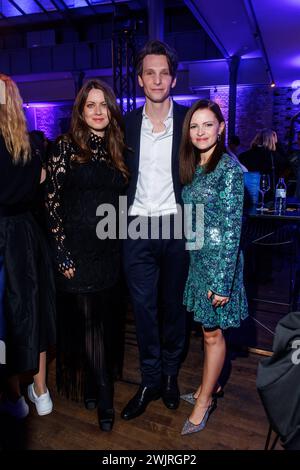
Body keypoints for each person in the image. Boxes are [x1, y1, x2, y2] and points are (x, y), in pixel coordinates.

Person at [46, 79, 128, 432]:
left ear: (111, 110)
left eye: (103, 105)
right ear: (80, 111)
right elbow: (51, 203)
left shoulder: (117, 149)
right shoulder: (66, 147)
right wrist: (62, 253)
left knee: (105, 323)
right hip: (77, 253)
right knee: (91, 323)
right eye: (90, 105)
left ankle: (95, 384)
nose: (97, 111)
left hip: (109, 252)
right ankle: (105, 394)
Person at [121, 40, 189, 421]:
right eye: (151, 72)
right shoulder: (127, 123)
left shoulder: (188, 122)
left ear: (173, 79)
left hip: (178, 227)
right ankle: (148, 380)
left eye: (164, 72)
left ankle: (169, 376)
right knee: (144, 311)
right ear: (140, 79)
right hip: (135, 229)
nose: (157, 79)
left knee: (174, 308)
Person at [179, 99, 248, 435]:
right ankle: (212, 385)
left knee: (212, 335)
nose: (201, 131)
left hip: (219, 264)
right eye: (194, 126)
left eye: (208, 124)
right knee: (208, 333)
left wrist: (223, 282)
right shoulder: (196, 166)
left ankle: (204, 400)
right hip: (199, 262)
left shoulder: (230, 170)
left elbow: (233, 228)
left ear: (221, 127)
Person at [0, 74, 55, 419]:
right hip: (27, 235)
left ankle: (14, 396)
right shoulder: (32, 145)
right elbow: (42, 182)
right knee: (35, 312)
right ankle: (41, 390)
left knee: (6, 319)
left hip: (4, 238)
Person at [239, 128, 287, 198]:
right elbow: (286, 164)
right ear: (273, 140)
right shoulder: (274, 156)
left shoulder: (244, 155)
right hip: (269, 195)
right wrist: (277, 143)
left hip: (248, 193)